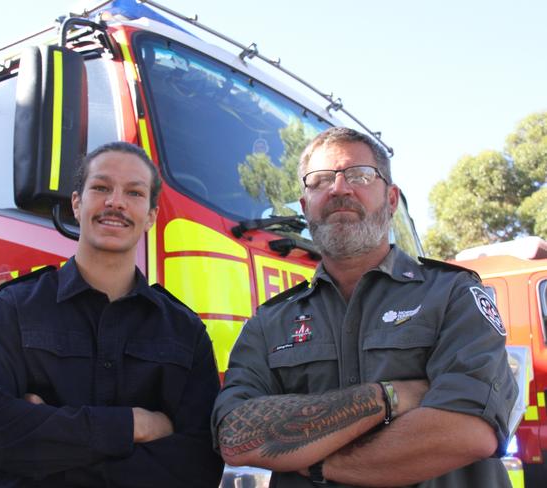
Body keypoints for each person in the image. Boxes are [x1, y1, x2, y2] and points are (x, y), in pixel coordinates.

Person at [212, 127, 518, 487]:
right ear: (305, 205)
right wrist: (388, 396)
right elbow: (234, 434)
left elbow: (467, 431)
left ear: (390, 200)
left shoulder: (452, 294)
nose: (339, 189)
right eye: (320, 180)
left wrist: (315, 465)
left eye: (359, 175)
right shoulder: (271, 321)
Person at [0, 142, 224, 487]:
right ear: (76, 203)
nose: (115, 202)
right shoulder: (14, 308)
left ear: (151, 216)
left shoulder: (186, 332)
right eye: (101, 187)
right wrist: (134, 426)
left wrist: (47, 442)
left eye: (134, 192)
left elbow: (199, 465)